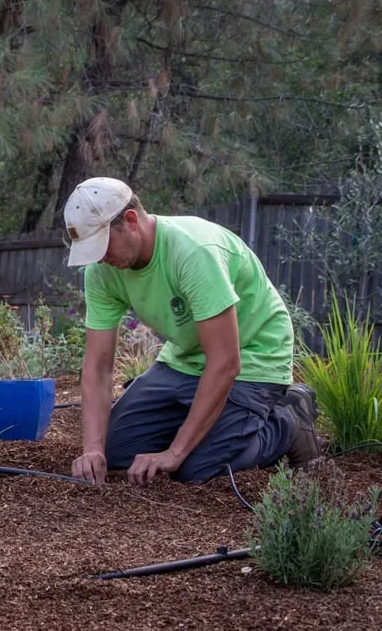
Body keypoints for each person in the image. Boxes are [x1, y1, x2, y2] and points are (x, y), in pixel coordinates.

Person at [62, 177, 321, 486]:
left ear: (131, 221)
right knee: (115, 450)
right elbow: (98, 366)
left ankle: (288, 423)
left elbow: (226, 362)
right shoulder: (102, 270)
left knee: (193, 468)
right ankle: (209, 426)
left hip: (253, 357)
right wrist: (93, 449)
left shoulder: (193, 253)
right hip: (184, 360)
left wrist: (174, 452)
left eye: (102, 245)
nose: (99, 257)